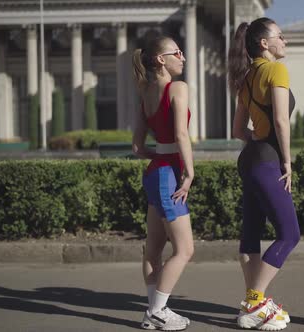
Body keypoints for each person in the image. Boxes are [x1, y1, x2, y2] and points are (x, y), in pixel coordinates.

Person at [227, 17, 300, 331]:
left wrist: (257, 139)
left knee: (251, 234)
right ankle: (256, 301)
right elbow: (282, 123)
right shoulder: (276, 70)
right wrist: (287, 162)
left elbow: (237, 130)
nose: (284, 41)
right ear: (263, 43)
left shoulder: (245, 78)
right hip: (269, 160)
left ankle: (251, 304)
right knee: (290, 233)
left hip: (250, 160)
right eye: (280, 36)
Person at [132, 35, 195, 331]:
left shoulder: (144, 92)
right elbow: (182, 135)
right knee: (184, 250)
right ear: (161, 59)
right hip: (169, 174)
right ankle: (157, 312)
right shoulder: (177, 88)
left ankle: (154, 310)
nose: (182, 57)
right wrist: (189, 172)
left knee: (153, 249)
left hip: (155, 171)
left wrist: (159, 155)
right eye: (177, 52)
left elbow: (137, 147)